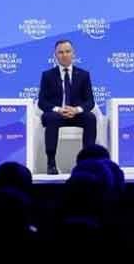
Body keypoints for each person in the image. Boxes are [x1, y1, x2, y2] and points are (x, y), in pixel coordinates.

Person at [38, 40, 97, 175]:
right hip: (56, 115)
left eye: (67, 51)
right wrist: (59, 109)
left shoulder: (83, 75)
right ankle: (51, 163)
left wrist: (76, 110)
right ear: (56, 55)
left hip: (76, 114)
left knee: (90, 118)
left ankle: (88, 162)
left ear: (73, 54)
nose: (64, 55)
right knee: (52, 118)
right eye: (61, 52)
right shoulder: (47, 75)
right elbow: (42, 102)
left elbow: (90, 101)